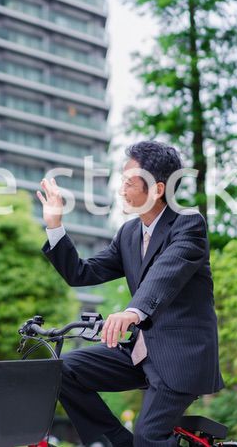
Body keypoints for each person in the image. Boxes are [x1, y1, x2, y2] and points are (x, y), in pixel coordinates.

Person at [35, 140, 224, 447]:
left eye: (128, 182)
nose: (121, 189)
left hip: (180, 357)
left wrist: (131, 312)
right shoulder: (128, 234)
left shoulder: (188, 224)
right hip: (140, 353)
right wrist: (55, 225)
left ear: (157, 189)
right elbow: (82, 273)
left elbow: (165, 275)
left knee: (149, 435)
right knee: (62, 371)